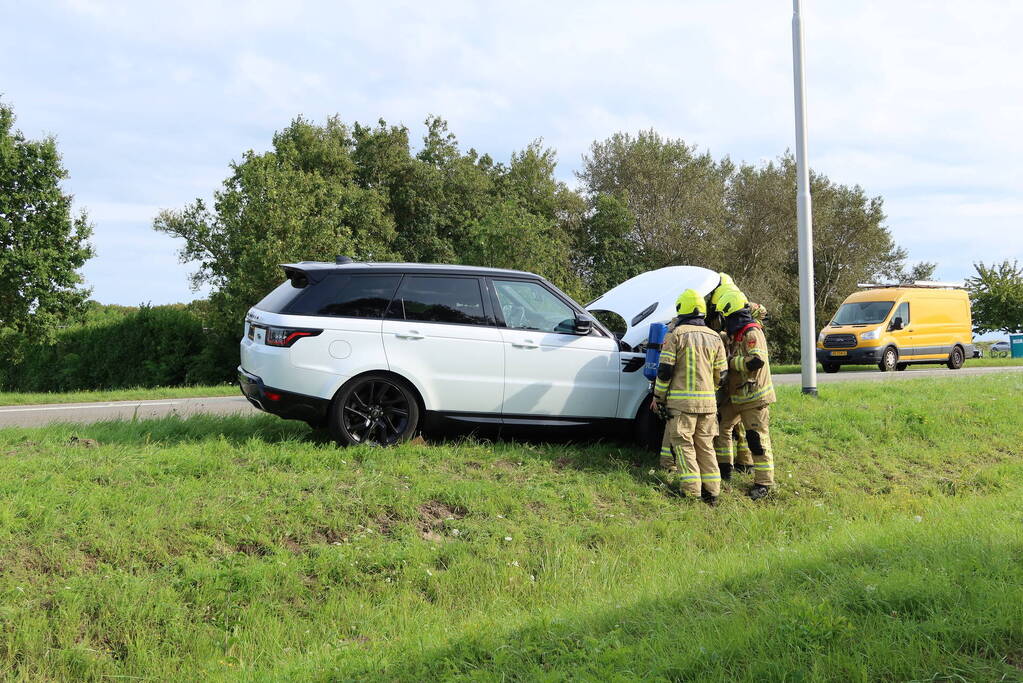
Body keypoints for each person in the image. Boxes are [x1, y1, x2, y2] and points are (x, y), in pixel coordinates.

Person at [651, 289, 728, 505]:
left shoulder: (676, 334)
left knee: (684, 447)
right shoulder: (715, 336)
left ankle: (691, 492)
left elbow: (665, 371)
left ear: (681, 309)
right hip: (708, 405)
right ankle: (712, 493)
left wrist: (658, 397)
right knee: (705, 446)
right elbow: (721, 376)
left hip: (681, 405)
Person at [712, 289, 776, 500]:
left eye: (724, 316)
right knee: (721, 426)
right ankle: (725, 470)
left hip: (754, 397)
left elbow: (756, 361)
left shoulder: (751, 333)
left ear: (731, 314)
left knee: (756, 439)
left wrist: (731, 363)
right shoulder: (735, 334)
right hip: (736, 396)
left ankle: (763, 483)